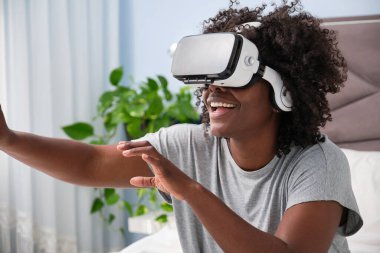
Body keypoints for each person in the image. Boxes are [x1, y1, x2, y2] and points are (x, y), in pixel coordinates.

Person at [0, 1, 362, 252]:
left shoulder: (318, 162)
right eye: (209, 81)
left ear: (282, 91)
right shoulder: (188, 145)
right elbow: (90, 163)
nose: (213, 92)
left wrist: (190, 190)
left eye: (234, 78)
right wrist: (8, 139)